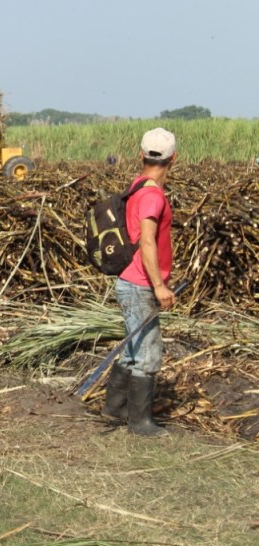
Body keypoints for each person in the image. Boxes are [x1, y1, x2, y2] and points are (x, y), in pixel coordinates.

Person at [102, 127, 177, 436]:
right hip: (140, 284)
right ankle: (140, 422)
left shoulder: (137, 186)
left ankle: (114, 409)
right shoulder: (152, 196)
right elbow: (147, 242)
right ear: (174, 159)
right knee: (148, 352)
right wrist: (159, 285)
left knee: (133, 349)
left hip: (130, 281)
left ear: (141, 155)